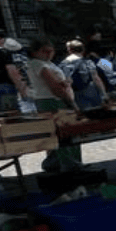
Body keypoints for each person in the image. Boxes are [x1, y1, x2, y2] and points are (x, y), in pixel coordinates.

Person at [27, 39, 82, 173]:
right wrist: (71, 102)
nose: (48, 54)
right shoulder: (37, 63)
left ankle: (65, 164)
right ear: (35, 52)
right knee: (63, 133)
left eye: (51, 51)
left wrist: (65, 84)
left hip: (55, 99)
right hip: (51, 101)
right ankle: (68, 165)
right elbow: (53, 86)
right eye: (44, 51)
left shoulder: (48, 63)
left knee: (65, 133)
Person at [60, 39, 108, 110]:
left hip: (76, 94)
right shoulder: (88, 62)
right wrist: (104, 94)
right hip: (91, 91)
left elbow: (67, 84)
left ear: (69, 50)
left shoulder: (63, 65)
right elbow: (96, 79)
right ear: (83, 50)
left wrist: (72, 103)